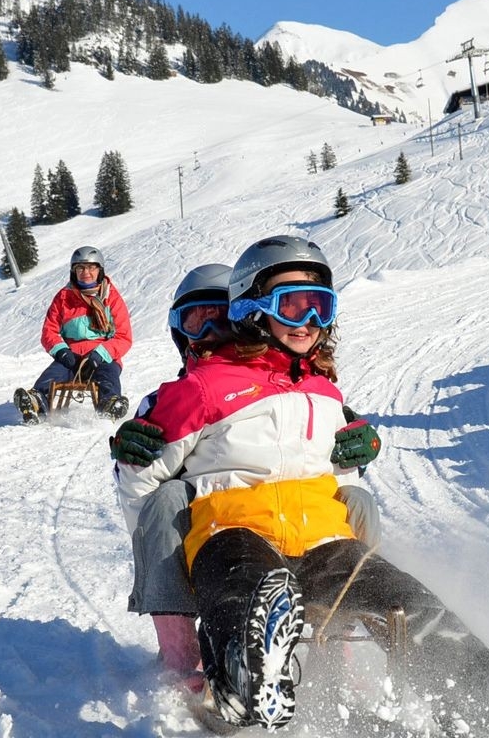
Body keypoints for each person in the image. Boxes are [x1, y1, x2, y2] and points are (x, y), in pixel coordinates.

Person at [115, 235, 489, 734]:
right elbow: (145, 478)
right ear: (252, 309)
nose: (309, 321)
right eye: (292, 306)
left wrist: (353, 456)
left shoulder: (323, 392)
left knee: (406, 597)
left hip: (322, 540)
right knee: (245, 590)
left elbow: (337, 474)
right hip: (235, 528)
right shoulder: (200, 388)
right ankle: (242, 679)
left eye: (319, 306)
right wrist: (166, 562)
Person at [112, 263, 382, 694]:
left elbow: (305, 442)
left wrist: (352, 447)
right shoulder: (180, 393)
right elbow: (141, 486)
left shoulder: (294, 384)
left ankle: (339, 634)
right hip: (208, 527)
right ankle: (181, 650)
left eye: (221, 318)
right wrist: (132, 458)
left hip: (287, 524)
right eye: (196, 321)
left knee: (357, 501)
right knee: (166, 498)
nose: (211, 334)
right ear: (178, 332)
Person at [14, 246, 132, 423]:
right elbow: (49, 331)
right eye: (80, 268)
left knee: (107, 376)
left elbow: (124, 336)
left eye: (91, 267)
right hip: (72, 356)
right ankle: (36, 402)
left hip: (103, 357)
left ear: (100, 270)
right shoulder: (63, 298)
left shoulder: (111, 298)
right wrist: (62, 352)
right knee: (54, 374)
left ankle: (110, 404)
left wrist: (101, 354)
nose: (86, 272)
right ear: (73, 271)